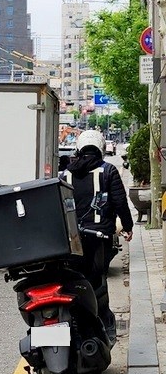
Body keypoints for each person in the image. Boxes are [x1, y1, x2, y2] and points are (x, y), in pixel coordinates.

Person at [64, 129, 133, 339]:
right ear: (101, 149)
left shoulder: (64, 173)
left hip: (69, 240)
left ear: (79, 148)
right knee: (96, 282)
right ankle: (100, 323)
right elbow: (120, 202)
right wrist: (127, 227)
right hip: (98, 238)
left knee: (71, 280)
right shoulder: (108, 170)